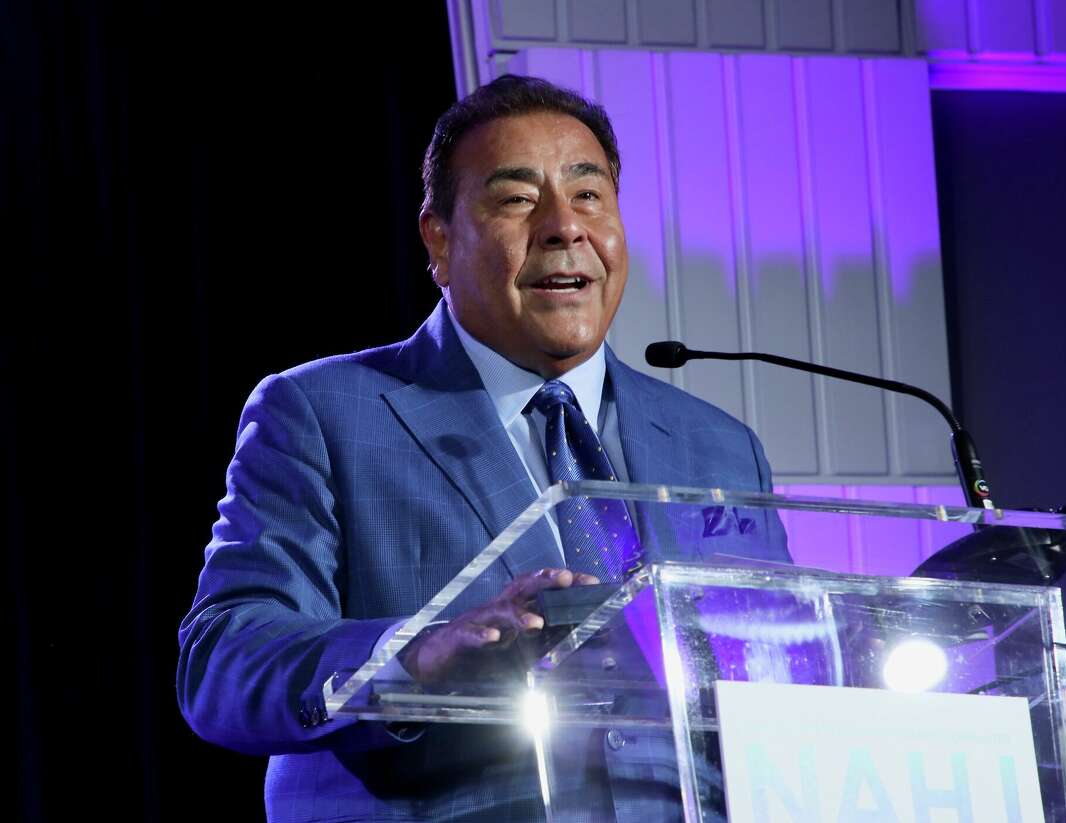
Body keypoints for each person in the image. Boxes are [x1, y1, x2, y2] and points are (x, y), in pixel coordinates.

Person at [178, 75, 789, 822]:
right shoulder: (320, 413)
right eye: (517, 198)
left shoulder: (720, 447)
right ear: (439, 239)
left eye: (589, 195)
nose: (565, 226)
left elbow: (775, 680)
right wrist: (418, 658)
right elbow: (225, 661)